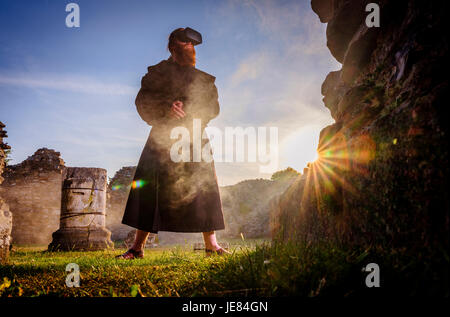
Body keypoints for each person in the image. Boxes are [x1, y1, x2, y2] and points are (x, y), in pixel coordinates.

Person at [116, 27, 229, 259]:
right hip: (162, 138)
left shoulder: (204, 80)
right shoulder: (157, 74)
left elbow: (213, 108)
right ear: (173, 45)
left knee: (204, 188)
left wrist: (191, 112)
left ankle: (212, 246)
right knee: (150, 189)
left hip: (195, 136)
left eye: (193, 45)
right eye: (186, 43)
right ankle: (137, 249)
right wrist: (166, 109)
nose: (191, 48)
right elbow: (143, 102)